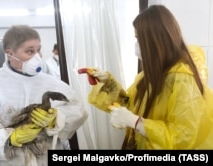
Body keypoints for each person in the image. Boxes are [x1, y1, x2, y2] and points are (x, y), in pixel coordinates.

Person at [79, 5, 213, 149]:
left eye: (138, 39)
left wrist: (137, 123)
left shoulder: (183, 79)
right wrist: (108, 84)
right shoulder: (150, 74)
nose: (136, 45)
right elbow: (131, 104)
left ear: (155, 41)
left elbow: (183, 139)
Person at [0, 25, 88, 166]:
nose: (37, 57)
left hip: (44, 157)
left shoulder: (51, 83)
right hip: (5, 161)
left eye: (38, 50)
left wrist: (57, 118)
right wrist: (7, 138)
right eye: (29, 51)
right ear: (10, 53)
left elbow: (77, 109)